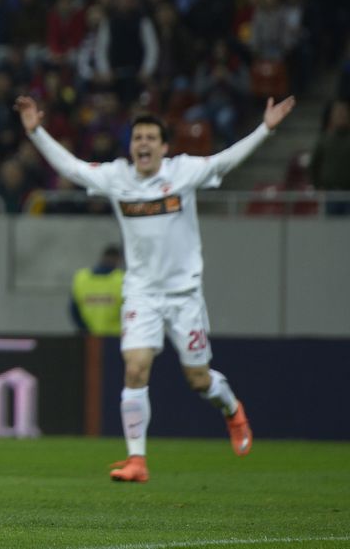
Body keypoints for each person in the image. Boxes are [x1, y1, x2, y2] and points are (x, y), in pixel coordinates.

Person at [15, 94, 295, 482]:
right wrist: (37, 133)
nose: (143, 144)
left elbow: (226, 160)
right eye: (137, 138)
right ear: (131, 147)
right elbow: (74, 168)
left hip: (184, 295)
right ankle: (137, 461)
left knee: (198, 380)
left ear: (164, 147)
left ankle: (232, 410)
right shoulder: (118, 177)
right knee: (135, 367)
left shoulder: (183, 173)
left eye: (150, 138)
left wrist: (266, 127)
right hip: (142, 293)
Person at [69, 245, 124, 336]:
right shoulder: (122, 279)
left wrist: (84, 330)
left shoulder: (81, 277)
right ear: (118, 259)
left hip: (89, 337)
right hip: (115, 337)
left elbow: (74, 310)